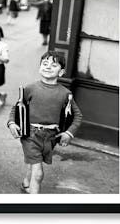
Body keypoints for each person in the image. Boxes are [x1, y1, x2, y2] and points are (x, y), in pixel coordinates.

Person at [7, 51, 83, 194]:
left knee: (35, 161)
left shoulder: (65, 94)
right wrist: (12, 123)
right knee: (38, 172)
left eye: (53, 65)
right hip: (30, 134)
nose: (48, 67)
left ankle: (25, 183)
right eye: (45, 63)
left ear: (61, 72)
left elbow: (78, 116)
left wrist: (68, 133)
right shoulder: (30, 88)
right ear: (39, 67)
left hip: (50, 137)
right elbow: (16, 108)